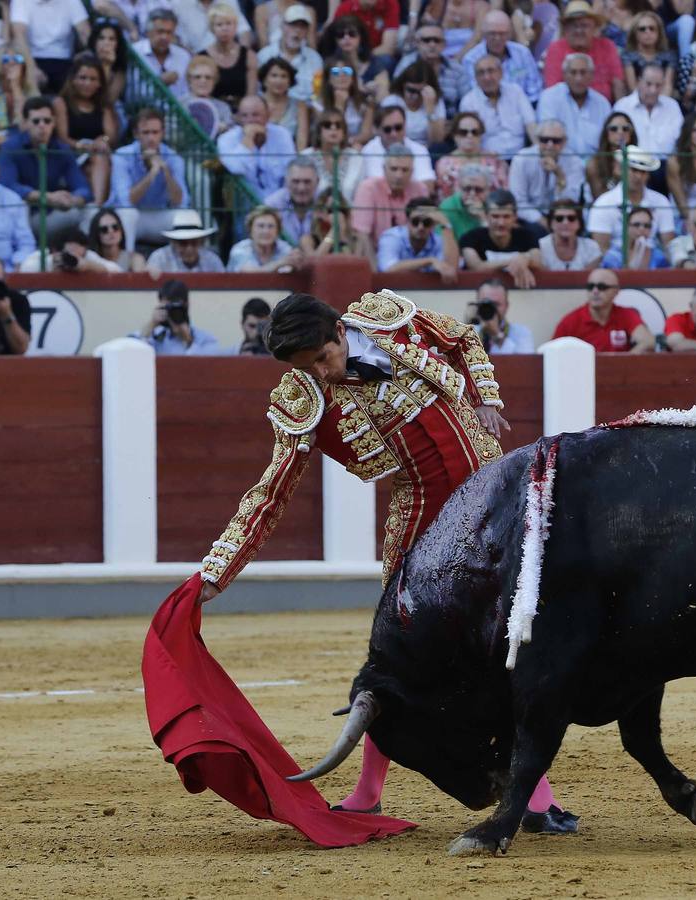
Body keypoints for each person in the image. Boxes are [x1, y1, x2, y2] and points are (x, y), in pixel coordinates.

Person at [194, 291, 581, 832]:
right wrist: (218, 570)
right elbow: (272, 491)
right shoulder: (303, 398)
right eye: (306, 368)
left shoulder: (386, 319)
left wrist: (486, 397)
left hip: (497, 498)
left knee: (514, 645)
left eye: (322, 358)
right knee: (398, 660)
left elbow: (463, 338)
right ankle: (369, 791)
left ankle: (535, 798)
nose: (321, 374)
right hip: (424, 522)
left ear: (339, 330)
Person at [0, 96, 90, 243]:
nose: (42, 126)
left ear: (54, 122)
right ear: (25, 123)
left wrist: (72, 200)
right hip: (24, 217)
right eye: (36, 121)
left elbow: (82, 187)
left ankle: (80, 254)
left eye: (47, 121)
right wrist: (47, 197)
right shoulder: (11, 147)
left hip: (54, 213)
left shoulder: (61, 149)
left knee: (92, 211)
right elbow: (8, 186)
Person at [110, 108, 188, 248]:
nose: (151, 138)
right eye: (145, 133)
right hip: (133, 218)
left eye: (155, 132)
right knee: (127, 214)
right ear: (136, 134)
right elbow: (127, 201)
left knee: (187, 216)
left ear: (162, 133)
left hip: (159, 216)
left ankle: (181, 261)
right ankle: (127, 259)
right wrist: (152, 173)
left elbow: (180, 201)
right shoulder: (122, 156)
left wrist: (165, 171)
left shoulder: (174, 158)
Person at [53, 53, 117, 206]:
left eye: (93, 79)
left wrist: (103, 140)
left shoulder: (104, 106)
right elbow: (62, 137)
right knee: (97, 163)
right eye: (82, 78)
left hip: (97, 155)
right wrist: (82, 145)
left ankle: (96, 206)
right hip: (71, 154)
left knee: (99, 161)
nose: (87, 83)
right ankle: (99, 207)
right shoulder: (60, 103)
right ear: (73, 80)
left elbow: (111, 135)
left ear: (100, 83)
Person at [588, 147, 676, 254]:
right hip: (615, 260)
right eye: (634, 170)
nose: (638, 176)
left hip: (652, 260)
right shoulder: (603, 203)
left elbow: (669, 245)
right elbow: (601, 250)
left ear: (648, 175)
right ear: (621, 170)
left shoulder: (661, 201)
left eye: (643, 172)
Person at [552, 268, 654, 352]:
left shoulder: (626, 315)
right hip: (584, 370)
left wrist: (624, 363)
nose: (595, 291)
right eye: (590, 287)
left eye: (602, 287)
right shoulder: (571, 321)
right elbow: (552, 352)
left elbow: (648, 342)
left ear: (616, 291)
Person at [544, 0, 626, 102]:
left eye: (584, 25)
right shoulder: (556, 49)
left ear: (594, 27)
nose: (579, 30)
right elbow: (552, 89)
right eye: (574, 25)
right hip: (566, 108)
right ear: (565, 29)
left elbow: (618, 84)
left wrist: (619, 110)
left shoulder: (607, 46)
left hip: (603, 108)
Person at [351, 145, 430, 251]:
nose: (399, 175)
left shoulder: (420, 190)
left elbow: (426, 231)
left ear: (412, 172)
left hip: (412, 253)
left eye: (405, 170)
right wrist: (374, 262)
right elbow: (362, 234)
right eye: (394, 169)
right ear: (384, 169)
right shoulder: (368, 188)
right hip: (376, 251)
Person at [460, 53, 536, 160]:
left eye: (491, 71)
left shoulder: (515, 92)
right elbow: (470, 138)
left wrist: (538, 151)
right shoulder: (468, 101)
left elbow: (531, 125)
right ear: (475, 78)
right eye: (481, 73)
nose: (486, 77)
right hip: (487, 159)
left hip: (521, 158)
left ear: (501, 73)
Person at [460, 189, 543, 287]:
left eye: (506, 216)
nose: (501, 223)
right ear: (486, 216)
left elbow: (538, 262)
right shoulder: (470, 238)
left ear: (515, 217)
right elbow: (476, 267)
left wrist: (526, 260)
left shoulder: (528, 236)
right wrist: (514, 261)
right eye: (495, 216)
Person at [217, 95, 296, 195]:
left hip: (278, 199)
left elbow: (291, 169)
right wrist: (248, 138)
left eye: (255, 115)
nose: (250, 120)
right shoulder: (226, 139)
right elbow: (237, 169)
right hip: (245, 202)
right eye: (244, 116)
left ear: (267, 115)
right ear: (238, 118)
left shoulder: (282, 134)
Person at [538, 52, 612, 158]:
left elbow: (608, 141)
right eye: (573, 72)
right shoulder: (550, 98)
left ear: (592, 75)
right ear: (564, 75)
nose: (578, 78)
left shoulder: (602, 104)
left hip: (595, 164)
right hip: (559, 160)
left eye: (583, 72)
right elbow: (548, 138)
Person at [463, 9, 543, 103]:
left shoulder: (522, 53)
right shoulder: (471, 59)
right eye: (492, 33)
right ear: (484, 34)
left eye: (502, 34)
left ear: (510, 33)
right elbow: (476, 94)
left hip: (524, 107)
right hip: (487, 108)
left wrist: (523, 106)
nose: (497, 38)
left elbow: (535, 88)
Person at [10, 0, 89, 91]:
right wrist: (32, 68)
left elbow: (84, 32)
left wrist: (88, 57)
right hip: (31, 58)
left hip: (64, 60)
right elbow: (19, 36)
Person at [612, 62, 685, 159]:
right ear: (639, 82)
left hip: (666, 164)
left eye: (658, 85)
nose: (653, 90)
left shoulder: (672, 106)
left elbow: (681, 140)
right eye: (648, 84)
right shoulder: (622, 106)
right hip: (631, 163)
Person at [376, 196, 458, 277]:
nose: (420, 227)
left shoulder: (438, 241)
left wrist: (446, 225)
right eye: (415, 221)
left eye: (426, 222)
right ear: (407, 221)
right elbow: (388, 268)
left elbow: (450, 270)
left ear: (433, 224)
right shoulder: (392, 237)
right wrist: (429, 261)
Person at [131, 279, 220, 355]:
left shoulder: (205, 340)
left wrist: (188, 341)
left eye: (176, 308)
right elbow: (129, 350)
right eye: (168, 308)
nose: (172, 312)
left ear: (186, 305)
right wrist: (151, 324)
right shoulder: (155, 337)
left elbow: (208, 365)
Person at [257, 5, 321, 102]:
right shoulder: (264, 55)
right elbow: (258, 92)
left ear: (307, 31)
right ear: (282, 26)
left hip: (307, 108)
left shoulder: (315, 59)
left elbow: (317, 93)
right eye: (293, 25)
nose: (297, 30)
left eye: (302, 27)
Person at [360, 104, 435, 184]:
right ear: (377, 130)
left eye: (398, 127)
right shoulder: (367, 151)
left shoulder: (419, 150)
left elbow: (428, 184)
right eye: (387, 129)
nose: (394, 134)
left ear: (405, 126)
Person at [132, 8, 191, 98]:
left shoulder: (183, 56)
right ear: (148, 32)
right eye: (160, 32)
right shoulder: (135, 52)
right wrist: (160, 82)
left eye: (169, 32)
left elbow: (187, 92)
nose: (164, 37)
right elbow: (132, 92)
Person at [228, 206, 303, 273]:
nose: (266, 231)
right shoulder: (240, 249)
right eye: (260, 226)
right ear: (250, 229)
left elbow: (288, 271)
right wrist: (280, 263)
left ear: (278, 231)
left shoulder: (284, 248)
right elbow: (250, 274)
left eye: (271, 226)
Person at [467, 278, 533, 354]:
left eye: (496, 304)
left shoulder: (521, 333)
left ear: (506, 306)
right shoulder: (468, 333)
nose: (490, 309)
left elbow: (525, 360)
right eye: (485, 304)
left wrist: (497, 335)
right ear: (477, 304)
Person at [146, 211, 225, 274]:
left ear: (201, 242)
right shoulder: (160, 258)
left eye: (194, 242)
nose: (189, 248)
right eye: (183, 243)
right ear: (174, 242)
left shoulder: (212, 260)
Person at [622, 11, 677, 96]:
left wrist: (660, 102)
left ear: (659, 32)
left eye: (652, 28)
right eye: (642, 29)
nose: (648, 32)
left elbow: (667, 85)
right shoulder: (628, 56)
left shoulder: (669, 56)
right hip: (636, 99)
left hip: (663, 99)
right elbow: (632, 87)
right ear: (634, 33)